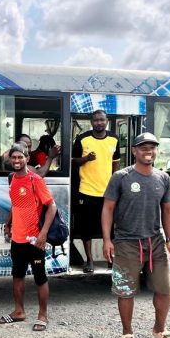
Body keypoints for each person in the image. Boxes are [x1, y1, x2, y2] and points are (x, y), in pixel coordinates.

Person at [101, 132, 170, 338]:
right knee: (125, 291)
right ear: (134, 151)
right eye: (143, 148)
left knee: (164, 289)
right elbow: (108, 208)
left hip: (155, 242)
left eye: (152, 147)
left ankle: (160, 329)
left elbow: (167, 210)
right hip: (126, 242)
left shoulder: (163, 178)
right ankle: (127, 332)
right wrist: (107, 240)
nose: (148, 151)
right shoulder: (121, 177)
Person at [0, 142, 56, 332]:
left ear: (27, 159)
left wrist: (43, 234)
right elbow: (16, 205)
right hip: (17, 239)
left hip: (34, 240)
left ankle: (43, 315)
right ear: (10, 159)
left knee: (40, 277)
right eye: (14, 157)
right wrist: (8, 223)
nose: (17, 160)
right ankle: (19, 312)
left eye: (20, 157)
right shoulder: (11, 178)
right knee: (17, 276)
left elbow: (51, 206)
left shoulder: (35, 180)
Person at [72, 110, 120, 273]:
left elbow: (116, 162)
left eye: (102, 120)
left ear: (107, 121)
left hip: (107, 192)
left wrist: (115, 183)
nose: (99, 123)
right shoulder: (82, 138)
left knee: (110, 228)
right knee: (87, 228)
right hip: (86, 190)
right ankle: (90, 260)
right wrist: (86, 159)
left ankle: (110, 259)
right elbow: (73, 161)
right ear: (91, 122)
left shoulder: (114, 138)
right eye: (96, 120)